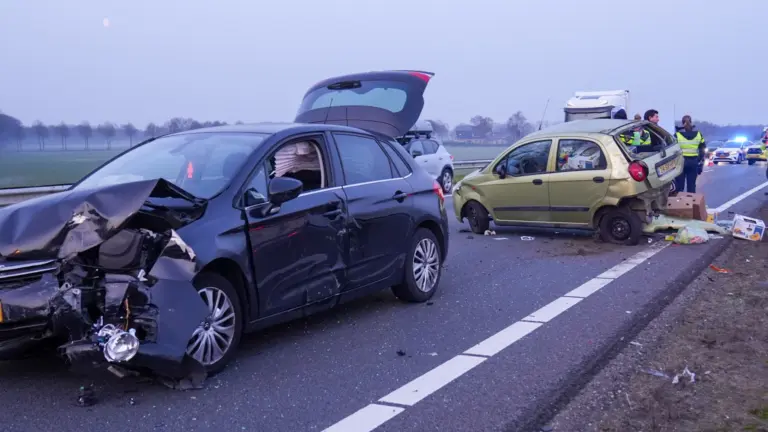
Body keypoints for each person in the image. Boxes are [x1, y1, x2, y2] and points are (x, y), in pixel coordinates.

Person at [674, 115, 706, 193]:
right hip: (693, 162)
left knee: (679, 186)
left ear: (682, 123)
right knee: (691, 186)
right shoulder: (699, 134)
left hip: (680, 162)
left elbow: (672, 150)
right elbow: (702, 150)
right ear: (691, 122)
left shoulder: (677, 135)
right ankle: (691, 203)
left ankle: (679, 203)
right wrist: (698, 160)